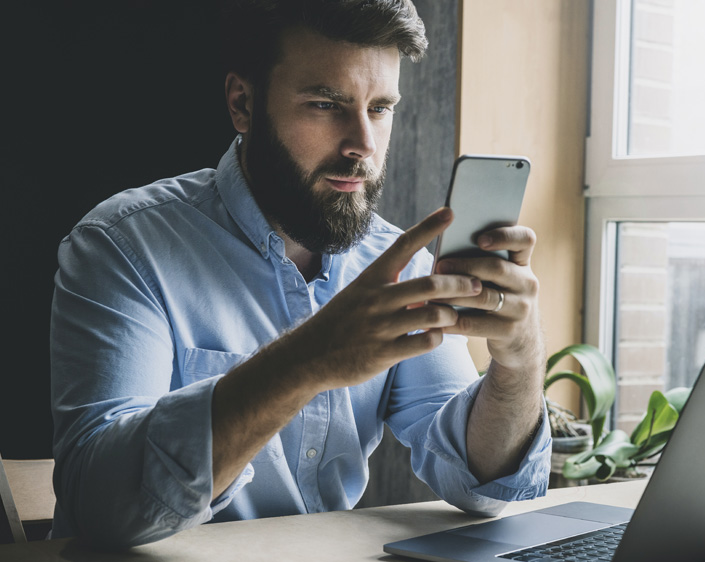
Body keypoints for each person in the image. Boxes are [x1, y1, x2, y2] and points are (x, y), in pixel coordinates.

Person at [49, 0, 550, 548]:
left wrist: (520, 361)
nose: (362, 143)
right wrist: (307, 361)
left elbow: (476, 483)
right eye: (324, 104)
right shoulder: (122, 246)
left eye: (380, 108)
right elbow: (99, 506)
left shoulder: (396, 261)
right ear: (243, 103)